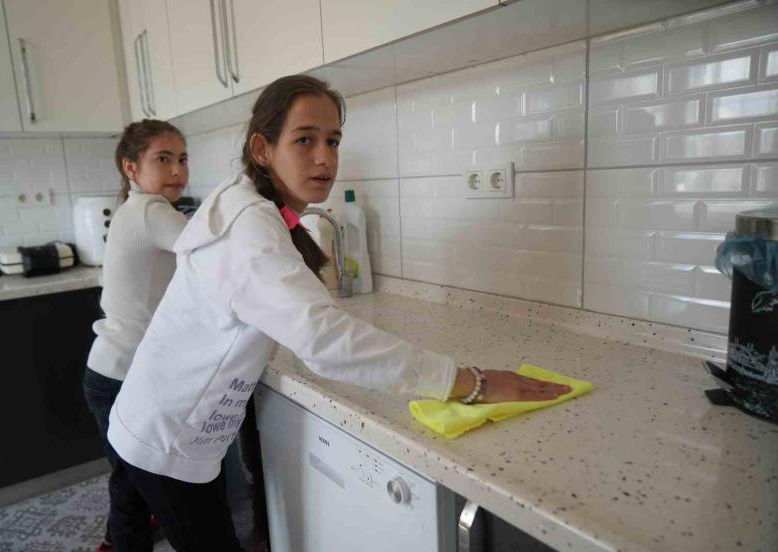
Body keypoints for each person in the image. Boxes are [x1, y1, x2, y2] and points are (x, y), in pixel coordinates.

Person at [106, 75, 571, 552]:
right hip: (167, 433)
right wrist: (470, 382)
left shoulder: (247, 200)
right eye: (305, 140)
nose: (325, 158)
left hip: (152, 412)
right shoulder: (251, 228)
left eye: (333, 141)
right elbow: (325, 340)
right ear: (263, 149)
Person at [82, 119, 190, 552]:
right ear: (131, 167)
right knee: (135, 483)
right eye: (163, 159)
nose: (177, 170)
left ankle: (116, 540)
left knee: (129, 479)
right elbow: (213, 250)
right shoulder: (151, 211)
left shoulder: (137, 209)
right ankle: (121, 543)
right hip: (123, 375)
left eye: (182, 159)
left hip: (109, 370)